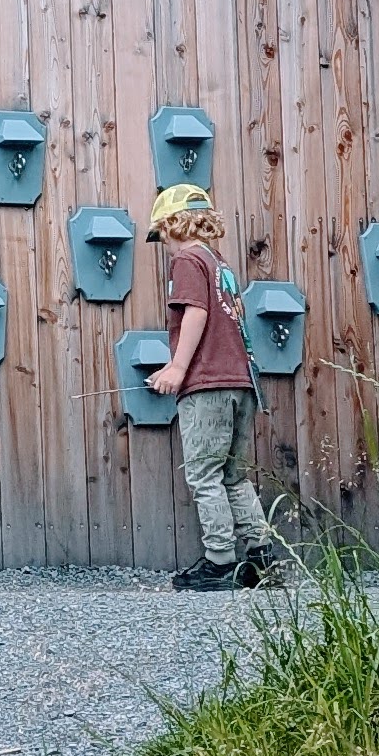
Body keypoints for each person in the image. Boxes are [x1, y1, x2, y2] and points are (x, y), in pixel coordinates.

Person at [145, 184, 298, 590]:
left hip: (207, 386)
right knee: (233, 476)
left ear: (172, 224)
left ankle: (219, 562)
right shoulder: (220, 265)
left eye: (160, 234)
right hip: (242, 383)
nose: (163, 244)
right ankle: (261, 558)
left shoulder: (187, 260)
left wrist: (178, 367)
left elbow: (196, 312)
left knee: (204, 474)